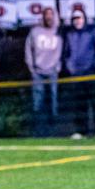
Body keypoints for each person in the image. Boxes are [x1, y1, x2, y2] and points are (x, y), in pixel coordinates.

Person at [62, 9, 95, 139]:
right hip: (76, 76)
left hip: (92, 74)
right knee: (79, 104)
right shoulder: (70, 34)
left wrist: (94, 65)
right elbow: (66, 54)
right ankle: (80, 131)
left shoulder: (93, 31)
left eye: (79, 18)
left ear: (84, 18)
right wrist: (70, 67)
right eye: (75, 18)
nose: (77, 20)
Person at [25, 8, 62, 137]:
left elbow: (63, 49)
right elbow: (28, 49)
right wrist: (31, 66)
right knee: (38, 100)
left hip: (52, 71)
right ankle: (39, 129)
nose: (49, 17)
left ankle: (54, 128)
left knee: (53, 98)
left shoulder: (58, 32)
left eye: (51, 14)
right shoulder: (35, 31)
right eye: (47, 15)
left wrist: (58, 66)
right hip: (38, 71)